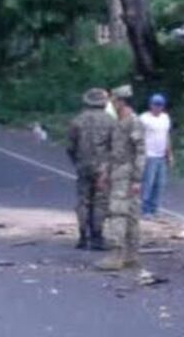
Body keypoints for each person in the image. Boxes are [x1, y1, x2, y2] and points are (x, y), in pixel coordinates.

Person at [96, 85, 146, 271]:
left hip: (126, 173)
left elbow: (140, 152)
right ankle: (130, 255)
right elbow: (112, 151)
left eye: (114, 101)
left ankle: (117, 255)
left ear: (121, 101)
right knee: (129, 214)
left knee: (118, 213)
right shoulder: (118, 122)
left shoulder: (133, 122)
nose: (112, 104)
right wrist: (105, 172)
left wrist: (137, 179)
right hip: (117, 171)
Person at [66, 88, 116, 251]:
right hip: (103, 167)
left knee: (83, 200)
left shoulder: (77, 121)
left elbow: (70, 147)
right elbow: (115, 147)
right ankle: (97, 237)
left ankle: (82, 237)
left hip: (83, 165)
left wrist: (77, 162)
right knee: (101, 201)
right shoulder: (111, 121)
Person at [139, 93, 173, 217]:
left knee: (160, 183)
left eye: (160, 105)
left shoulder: (165, 118)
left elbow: (167, 136)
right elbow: (139, 137)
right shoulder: (144, 118)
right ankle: (145, 209)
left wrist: (169, 154)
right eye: (155, 104)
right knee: (148, 182)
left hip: (161, 155)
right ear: (151, 105)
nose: (158, 107)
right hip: (149, 154)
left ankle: (155, 208)